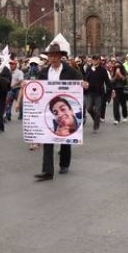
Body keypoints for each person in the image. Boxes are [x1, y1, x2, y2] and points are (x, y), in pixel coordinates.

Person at [31, 41, 85, 181]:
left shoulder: (70, 70)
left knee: (65, 137)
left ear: (61, 56)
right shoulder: (44, 72)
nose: (53, 58)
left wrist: (84, 84)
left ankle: (64, 164)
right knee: (47, 138)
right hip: (49, 108)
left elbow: (80, 82)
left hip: (65, 106)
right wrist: (29, 86)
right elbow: (38, 87)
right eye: (51, 56)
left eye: (56, 56)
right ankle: (47, 171)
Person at [83, 54, 112, 133]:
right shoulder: (89, 68)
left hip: (98, 93)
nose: (94, 61)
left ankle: (96, 126)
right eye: (93, 59)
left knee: (98, 109)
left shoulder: (103, 70)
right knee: (88, 108)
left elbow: (107, 81)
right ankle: (96, 119)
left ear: (99, 60)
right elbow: (85, 78)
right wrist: (84, 84)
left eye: (96, 59)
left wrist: (112, 90)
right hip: (89, 91)